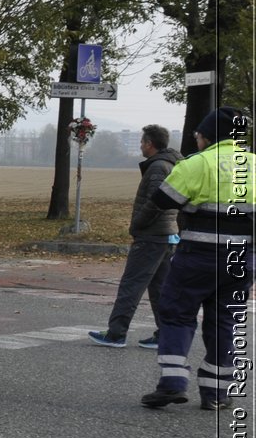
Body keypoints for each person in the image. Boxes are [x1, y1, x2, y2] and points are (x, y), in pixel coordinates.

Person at [141, 107, 253, 410]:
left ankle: (173, 383)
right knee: (225, 321)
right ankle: (216, 393)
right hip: (241, 259)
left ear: (207, 136)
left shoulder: (198, 163)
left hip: (198, 257)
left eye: (198, 134)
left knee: (177, 313)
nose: (197, 139)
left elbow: (163, 199)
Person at [88, 124, 181, 349]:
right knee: (160, 289)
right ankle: (165, 335)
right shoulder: (171, 163)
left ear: (150, 144)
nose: (140, 145)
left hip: (152, 236)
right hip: (166, 235)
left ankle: (116, 334)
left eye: (142, 142)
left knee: (131, 285)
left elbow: (156, 202)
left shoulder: (158, 167)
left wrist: (137, 224)